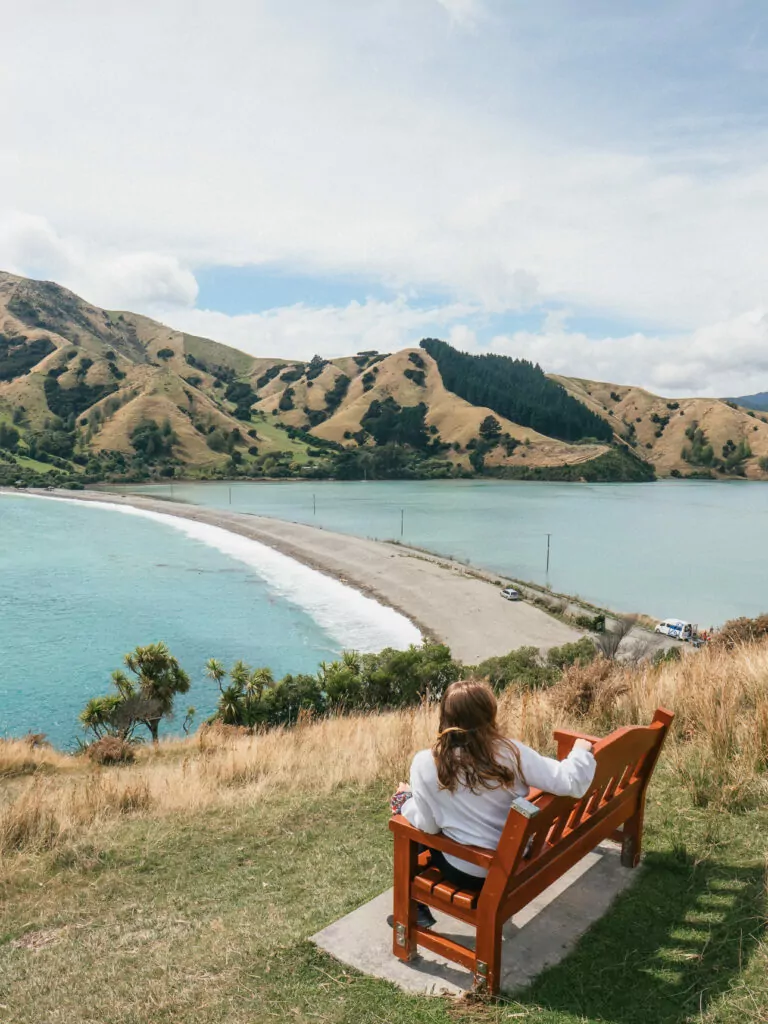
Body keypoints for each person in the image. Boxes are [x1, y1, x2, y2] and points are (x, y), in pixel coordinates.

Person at [391, 679, 596, 928]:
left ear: (444, 717)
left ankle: (413, 908)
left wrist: (405, 802)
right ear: (490, 714)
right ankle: (417, 907)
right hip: (513, 862)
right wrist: (580, 752)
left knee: (411, 829)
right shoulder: (510, 753)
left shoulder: (426, 763)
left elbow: (429, 827)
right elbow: (569, 781)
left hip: (467, 873)